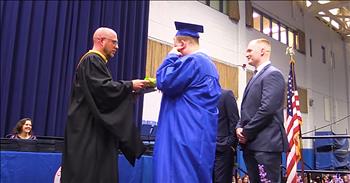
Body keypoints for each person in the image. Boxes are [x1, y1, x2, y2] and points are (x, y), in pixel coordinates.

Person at [61, 27, 150, 183]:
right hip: (88, 129)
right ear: (101, 41)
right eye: (114, 42)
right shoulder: (92, 60)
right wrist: (129, 85)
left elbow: (102, 95)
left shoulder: (96, 62)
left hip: (92, 128)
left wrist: (128, 95)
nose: (117, 46)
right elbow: (103, 90)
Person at [153, 21, 221, 183]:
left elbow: (164, 81)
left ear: (182, 44)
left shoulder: (193, 61)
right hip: (198, 134)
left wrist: (170, 57)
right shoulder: (210, 65)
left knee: (178, 176)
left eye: (174, 45)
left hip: (182, 132)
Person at [236, 38, 288, 182]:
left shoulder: (273, 74)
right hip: (252, 143)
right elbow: (247, 109)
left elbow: (267, 109)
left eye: (249, 50)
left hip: (266, 145)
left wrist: (246, 132)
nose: (246, 54)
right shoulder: (256, 76)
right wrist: (239, 126)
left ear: (263, 51)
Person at [213, 89, 240, 183]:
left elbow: (234, 121)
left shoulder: (226, 95)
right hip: (204, 151)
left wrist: (230, 145)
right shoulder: (200, 97)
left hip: (222, 150)